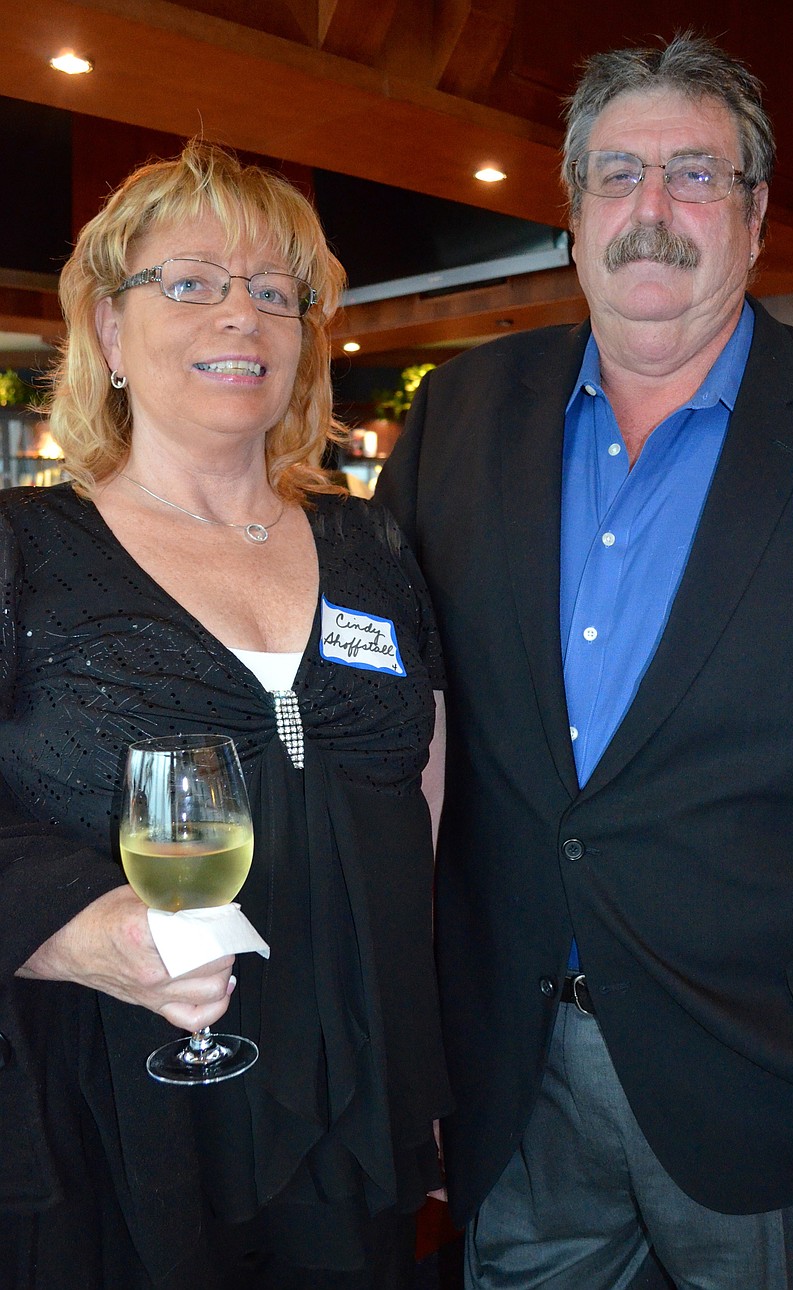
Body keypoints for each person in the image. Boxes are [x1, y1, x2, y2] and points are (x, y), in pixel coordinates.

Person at [376, 30, 793, 1290]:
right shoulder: (459, 412)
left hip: (781, 1080)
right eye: (618, 175)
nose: (653, 209)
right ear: (574, 215)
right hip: (514, 1067)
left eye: (695, 174)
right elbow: (404, 729)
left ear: (752, 216)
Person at [0, 140, 451, 1290]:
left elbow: (426, 797)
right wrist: (70, 929)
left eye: (273, 292)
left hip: (357, 1122)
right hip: (116, 1124)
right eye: (190, 281)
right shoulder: (22, 550)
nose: (239, 316)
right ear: (106, 329)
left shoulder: (370, 544)